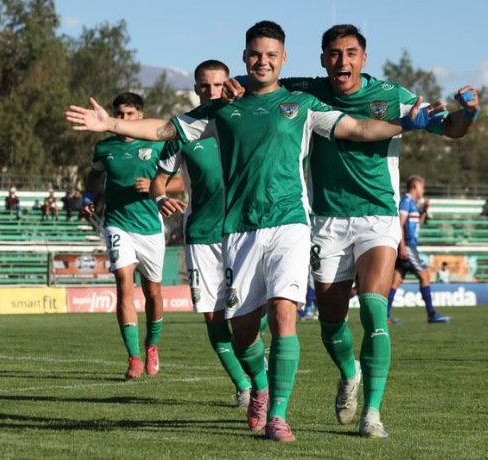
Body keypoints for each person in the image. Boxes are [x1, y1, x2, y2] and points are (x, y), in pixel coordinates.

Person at [66, 20, 444, 442]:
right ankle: (260, 387)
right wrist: (111, 125)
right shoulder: (223, 107)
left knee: (285, 315)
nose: (262, 61)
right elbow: (163, 130)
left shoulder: (301, 104)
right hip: (239, 230)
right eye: (254, 54)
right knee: (244, 330)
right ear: (244, 59)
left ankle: (278, 415)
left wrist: (410, 124)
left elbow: (360, 129)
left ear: (283, 59)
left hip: (292, 225)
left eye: (271, 55)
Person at [224, 23, 478, 438]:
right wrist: (232, 86)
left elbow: (447, 128)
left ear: (363, 57)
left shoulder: (392, 97)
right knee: (330, 323)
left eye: (351, 53)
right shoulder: (305, 91)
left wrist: (468, 115)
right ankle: (350, 374)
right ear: (324, 60)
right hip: (325, 220)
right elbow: (257, 82)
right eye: (334, 54)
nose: (343, 61)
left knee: (375, 308)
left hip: (377, 216)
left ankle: (372, 413)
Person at [149, 59, 260, 411]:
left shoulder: (246, 119)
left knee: (251, 312)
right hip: (201, 234)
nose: (212, 92)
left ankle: (261, 375)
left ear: (228, 84)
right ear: (196, 88)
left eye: (218, 85)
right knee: (213, 315)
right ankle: (244, 385)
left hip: (244, 229)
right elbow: (159, 179)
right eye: (205, 86)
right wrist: (162, 197)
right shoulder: (184, 129)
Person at [80, 92, 177, 380]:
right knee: (124, 284)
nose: (123, 120)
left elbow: (180, 180)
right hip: (116, 223)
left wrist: (156, 185)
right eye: (119, 115)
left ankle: (151, 346)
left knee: (153, 292)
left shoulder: (157, 143)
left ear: (141, 115)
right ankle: (134, 356)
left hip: (150, 226)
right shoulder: (104, 147)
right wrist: (89, 197)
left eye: (130, 115)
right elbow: (94, 176)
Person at [387, 176, 451, 327]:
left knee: (396, 281)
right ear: (415, 186)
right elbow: (400, 224)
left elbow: (417, 224)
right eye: (422, 187)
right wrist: (402, 246)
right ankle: (431, 314)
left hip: (409, 245)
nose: (424, 190)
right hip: (408, 245)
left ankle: (385, 315)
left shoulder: (414, 205)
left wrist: (424, 211)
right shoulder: (406, 201)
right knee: (425, 275)